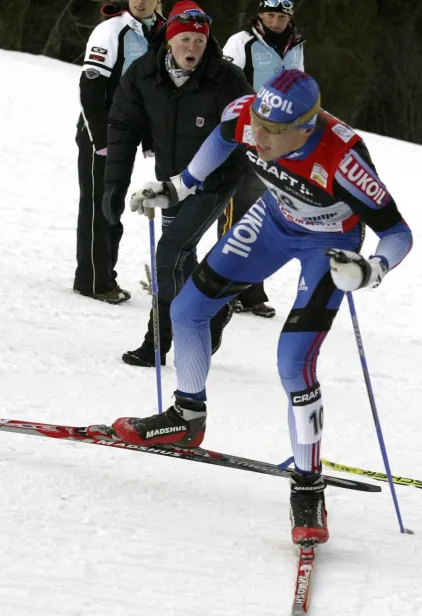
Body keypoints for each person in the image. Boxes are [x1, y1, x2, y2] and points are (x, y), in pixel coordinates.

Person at [109, 69, 413, 545]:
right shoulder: (247, 115)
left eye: (274, 132)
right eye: (258, 124)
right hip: (273, 221)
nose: (260, 136)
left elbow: (398, 233)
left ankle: (309, 487)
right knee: (188, 309)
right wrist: (178, 186)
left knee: (293, 362)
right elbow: (222, 137)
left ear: (306, 128)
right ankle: (187, 419)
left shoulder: (342, 159)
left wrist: (371, 269)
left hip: (329, 243)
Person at [103, 2, 252, 366]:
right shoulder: (143, 74)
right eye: (184, 40)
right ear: (169, 40)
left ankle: (158, 340)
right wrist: (115, 185)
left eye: (199, 42)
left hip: (216, 181)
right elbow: (123, 128)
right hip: (170, 181)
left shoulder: (227, 80)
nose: (192, 49)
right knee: (182, 258)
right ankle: (212, 312)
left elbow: (246, 133)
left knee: (170, 252)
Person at [216, 0, 308, 319]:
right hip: (244, 135)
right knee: (235, 211)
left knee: (263, 214)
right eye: (270, 15)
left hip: (277, 141)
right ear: (260, 15)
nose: (276, 21)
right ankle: (223, 289)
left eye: (282, 16)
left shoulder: (295, 45)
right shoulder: (242, 42)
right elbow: (225, 85)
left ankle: (253, 290)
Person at [74, 0, 166, 304]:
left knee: (112, 204)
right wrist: (101, 139)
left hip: (129, 133)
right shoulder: (111, 30)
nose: (140, 1)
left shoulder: (162, 31)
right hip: (101, 133)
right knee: (97, 206)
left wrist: (150, 139)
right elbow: (90, 89)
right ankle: (92, 282)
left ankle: (105, 276)